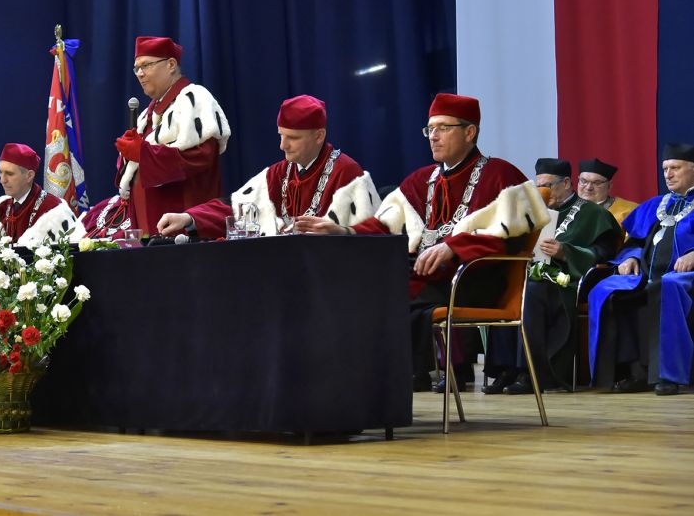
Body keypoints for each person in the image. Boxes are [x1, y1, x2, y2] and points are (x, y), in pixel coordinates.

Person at [296, 93, 549, 392]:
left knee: (387, 289)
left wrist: (453, 246)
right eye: (430, 129)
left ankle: (392, 377)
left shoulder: (501, 174)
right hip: (429, 277)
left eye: (443, 128)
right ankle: (361, 379)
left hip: (475, 279)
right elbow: (384, 225)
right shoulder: (421, 179)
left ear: (470, 132)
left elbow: (508, 240)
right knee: (364, 281)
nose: (434, 136)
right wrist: (342, 231)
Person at [482, 158, 622, 394]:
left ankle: (530, 372)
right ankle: (506, 369)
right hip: (531, 274)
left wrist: (565, 252)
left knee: (532, 290)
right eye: (537, 186)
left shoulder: (593, 213)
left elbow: (603, 253)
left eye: (546, 186)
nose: (541, 192)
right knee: (504, 287)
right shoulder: (532, 212)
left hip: (567, 281)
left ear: (566, 183)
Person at [157, 95, 379, 238]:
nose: (283, 145)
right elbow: (236, 206)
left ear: (319, 136)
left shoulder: (348, 172)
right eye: (281, 135)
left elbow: (374, 237)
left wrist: (341, 232)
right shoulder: (281, 171)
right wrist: (189, 217)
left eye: (293, 138)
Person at [75, 36, 231, 241]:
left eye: (146, 65)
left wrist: (143, 153)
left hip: (184, 232)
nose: (140, 73)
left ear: (171, 65)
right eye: (136, 68)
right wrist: (127, 157)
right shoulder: (146, 116)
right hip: (146, 232)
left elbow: (200, 158)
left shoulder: (194, 99)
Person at [588, 143, 694, 396]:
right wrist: (631, 258)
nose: (668, 174)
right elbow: (634, 242)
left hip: (685, 277)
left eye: (675, 168)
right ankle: (631, 373)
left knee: (668, 286)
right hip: (648, 275)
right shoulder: (655, 204)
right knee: (607, 290)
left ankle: (668, 375)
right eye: (665, 169)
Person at [577, 157, 639, 225]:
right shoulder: (568, 208)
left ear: (609, 186)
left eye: (597, 183)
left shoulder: (630, 211)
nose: (588, 188)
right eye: (583, 181)